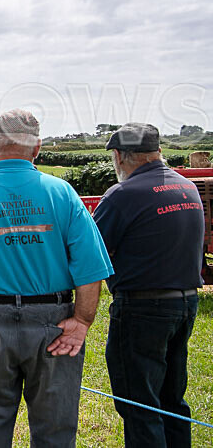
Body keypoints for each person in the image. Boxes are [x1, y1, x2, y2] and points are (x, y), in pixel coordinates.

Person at [0, 109, 113, 447]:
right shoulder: (62, 193)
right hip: (54, 324)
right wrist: (82, 320)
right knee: (55, 429)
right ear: (37, 147)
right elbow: (90, 268)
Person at [93, 123, 203, 447]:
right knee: (172, 399)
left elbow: (88, 249)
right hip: (185, 303)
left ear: (119, 156)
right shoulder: (188, 188)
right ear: (157, 152)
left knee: (139, 404)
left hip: (143, 308)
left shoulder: (123, 194)